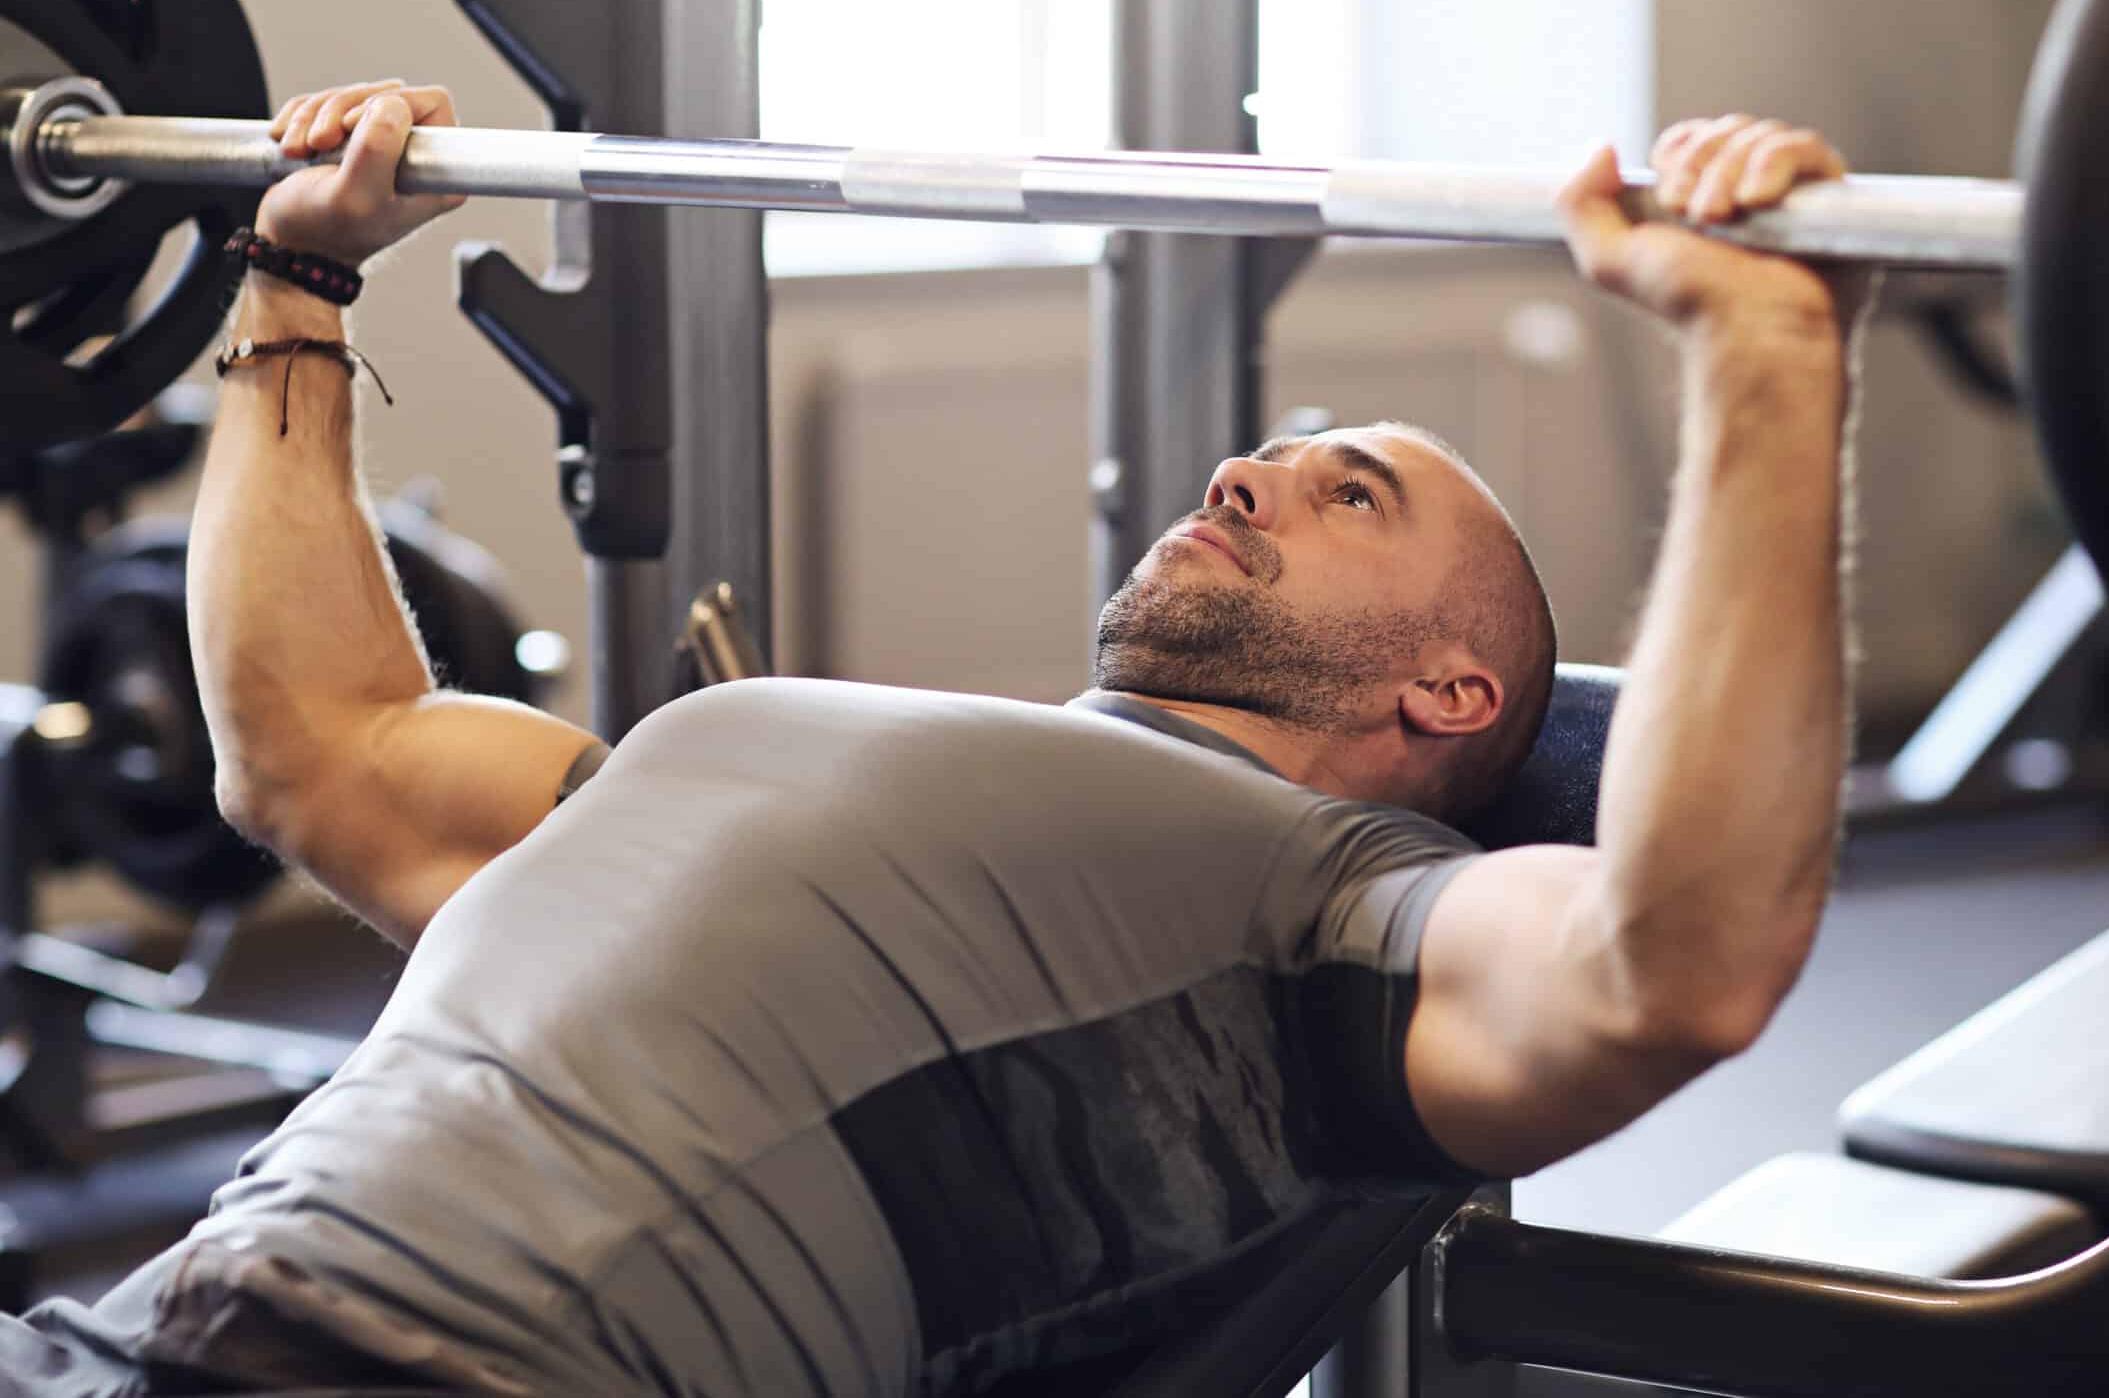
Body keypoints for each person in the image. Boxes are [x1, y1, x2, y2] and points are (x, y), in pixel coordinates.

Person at [2, 82, 1860, 1395]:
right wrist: (297, 272)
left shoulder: (1332, 907)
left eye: (1347, 488)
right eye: (1275, 448)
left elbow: (1666, 966)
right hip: (118, 1332)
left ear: (1448, 694)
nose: (1247, 469)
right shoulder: (742, 744)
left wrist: (1763, 362)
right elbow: (317, 740)